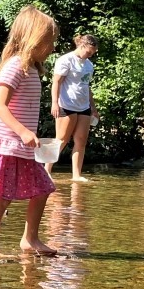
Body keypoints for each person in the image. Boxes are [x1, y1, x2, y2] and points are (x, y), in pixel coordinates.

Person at [0, 5, 58, 257]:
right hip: (5, 144)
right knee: (2, 198)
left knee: (44, 188)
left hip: (21, 147)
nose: (52, 48)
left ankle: (29, 240)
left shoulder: (32, 68)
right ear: (33, 39)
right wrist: (22, 131)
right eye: (48, 42)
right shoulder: (14, 67)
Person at [44, 34, 99, 182]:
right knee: (62, 140)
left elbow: (86, 86)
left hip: (84, 106)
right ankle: (46, 171)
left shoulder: (89, 65)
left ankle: (76, 175)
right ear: (81, 46)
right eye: (89, 52)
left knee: (81, 140)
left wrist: (93, 107)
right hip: (66, 105)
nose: (90, 55)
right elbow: (56, 82)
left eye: (92, 53)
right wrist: (54, 103)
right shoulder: (65, 60)